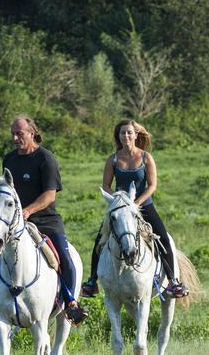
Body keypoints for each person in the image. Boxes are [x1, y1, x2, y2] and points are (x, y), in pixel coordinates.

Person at [0, 116, 89, 323]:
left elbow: (50, 195)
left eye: (19, 133)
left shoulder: (46, 159)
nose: (14, 137)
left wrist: (28, 211)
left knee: (64, 254)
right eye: (12, 133)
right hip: (14, 222)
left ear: (32, 133)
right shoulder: (9, 159)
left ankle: (71, 302)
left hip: (45, 219)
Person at [80, 119, 188, 299]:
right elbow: (106, 185)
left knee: (163, 238)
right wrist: (117, 201)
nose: (126, 136)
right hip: (121, 208)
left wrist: (136, 203)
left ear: (136, 135)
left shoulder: (146, 157)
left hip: (144, 206)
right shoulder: (113, 159)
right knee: (100, 239)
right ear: (118, 136)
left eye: (129, 132)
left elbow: (152, 185)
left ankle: (173, 281)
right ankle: (92, 281)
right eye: (122, 133)